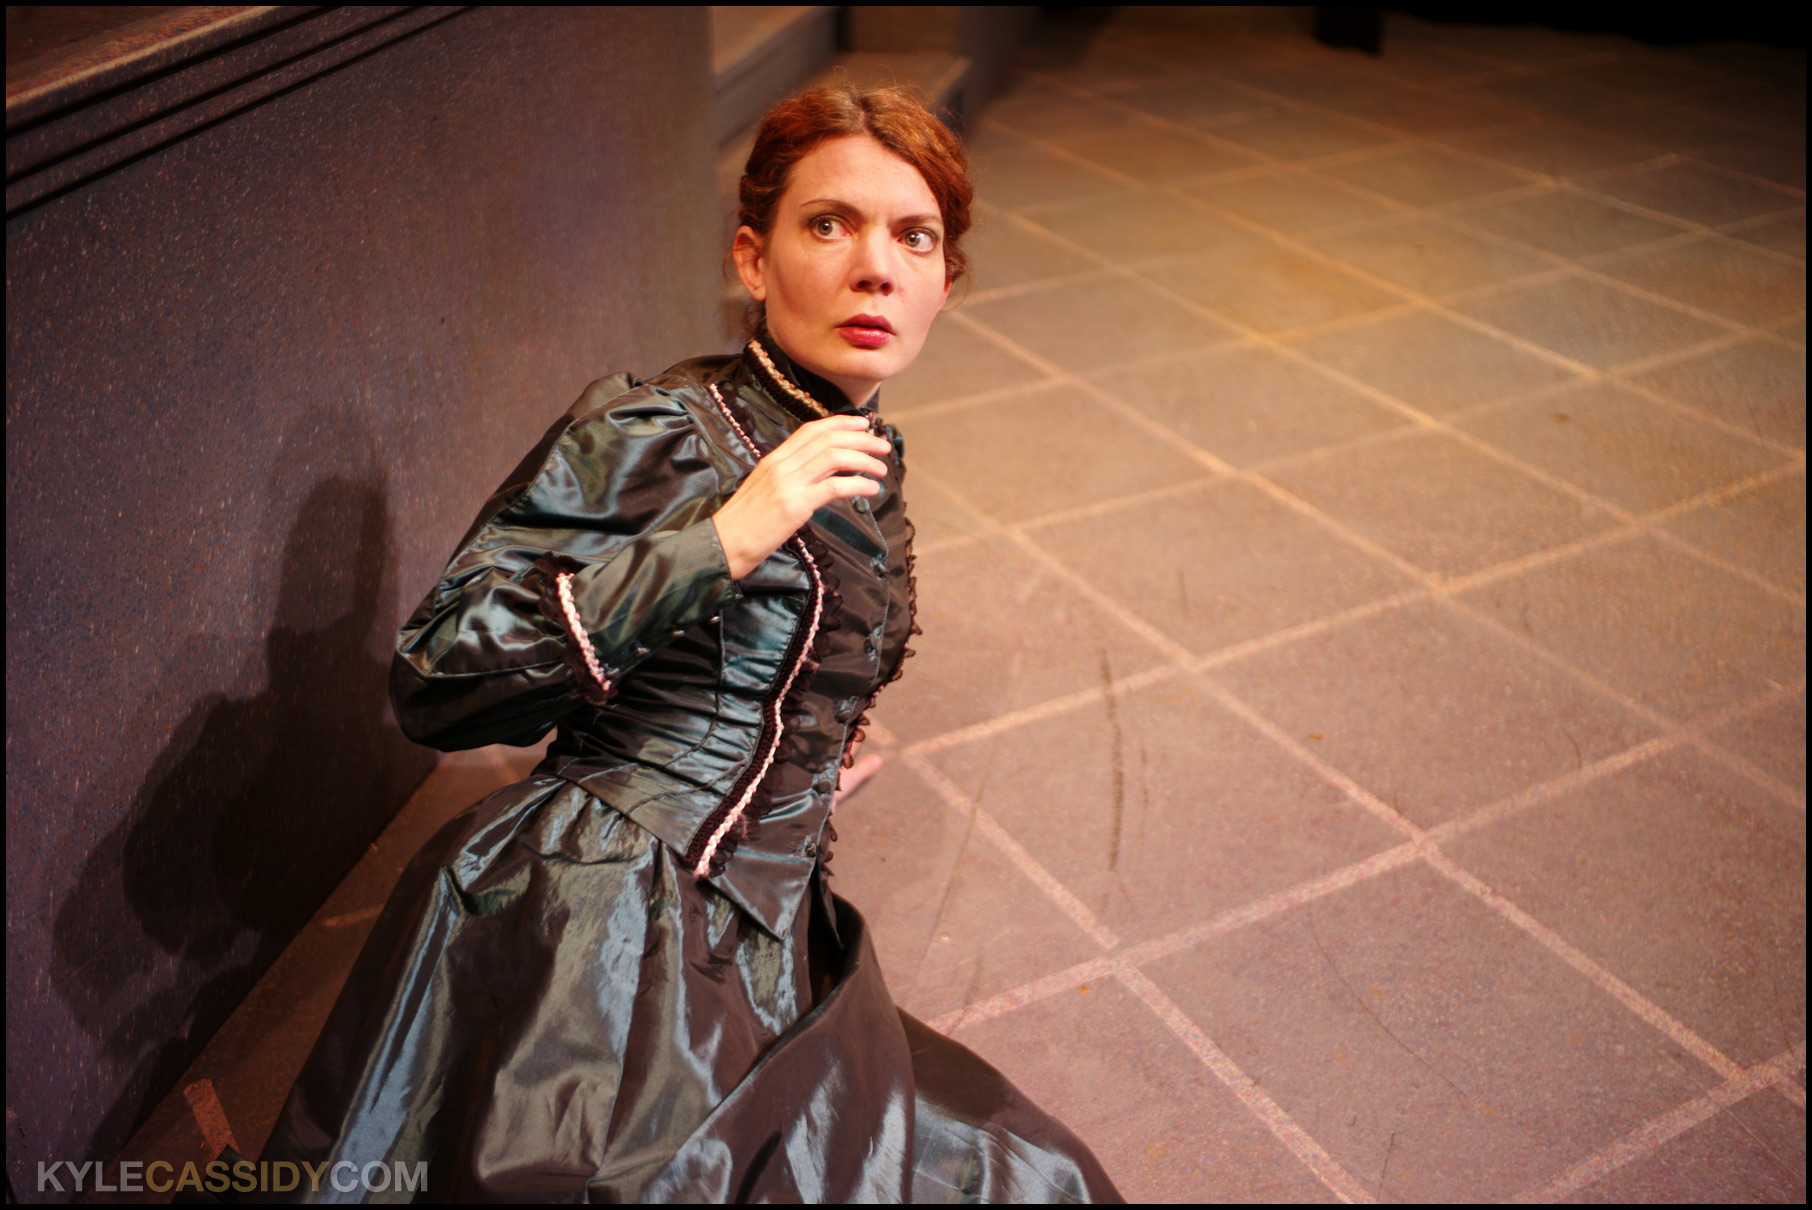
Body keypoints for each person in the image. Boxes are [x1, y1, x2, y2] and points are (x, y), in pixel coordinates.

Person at [262, 84, 1123, 1203]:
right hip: (608, 924)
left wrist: (799, 761)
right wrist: (724, 539)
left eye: (914, 237)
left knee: (1037, 1176)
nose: (876, 268)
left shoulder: (857, 453)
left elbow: (762, 664)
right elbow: (439, 676)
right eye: (830, 224)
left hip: (768, 930)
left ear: (945, 282)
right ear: (753, 260)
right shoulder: (660, 431)